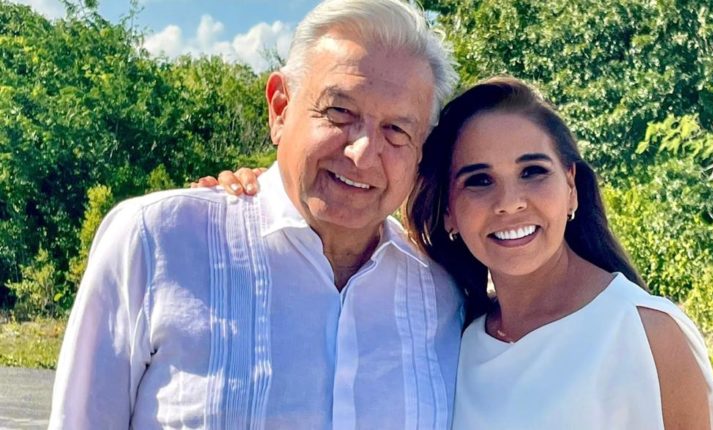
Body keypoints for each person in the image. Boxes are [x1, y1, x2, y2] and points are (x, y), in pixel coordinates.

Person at [48, 0, 464, 428]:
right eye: (340, 112)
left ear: (421, 149)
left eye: (396, 130)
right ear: (280, 108)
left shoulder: (442, 300)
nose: (362, 153)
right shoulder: (157, 243)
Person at [405, 76, 713, 429]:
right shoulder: (457, 342)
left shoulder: (644, 330)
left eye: (532, 172)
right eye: (479, 180)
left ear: (571, 187)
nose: (509, 203)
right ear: (448, 212)